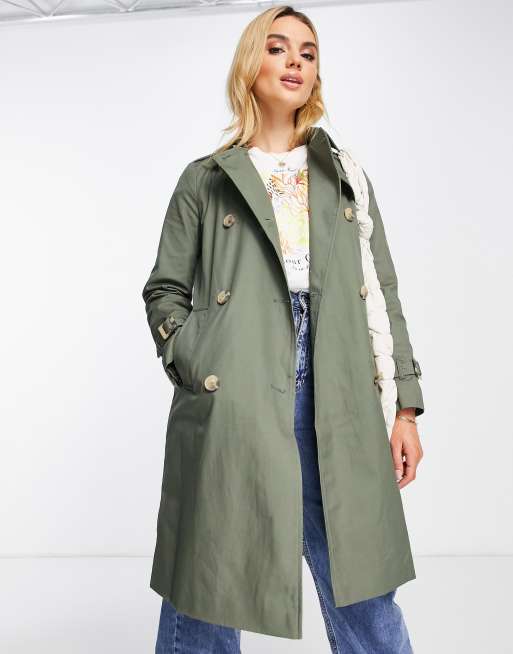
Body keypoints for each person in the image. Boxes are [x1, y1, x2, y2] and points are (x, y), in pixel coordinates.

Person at [142, 5, 425, 653]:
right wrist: (198, 359)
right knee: (210, 570)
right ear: (251, 64)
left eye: (307, 51)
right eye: (277, 47)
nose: (295, 61)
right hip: (236, 380)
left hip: (337, 379)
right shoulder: (207, 179)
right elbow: (165, 289)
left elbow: (381, 290)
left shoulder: (344, 174)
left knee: (359, 571)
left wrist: (405, 406)